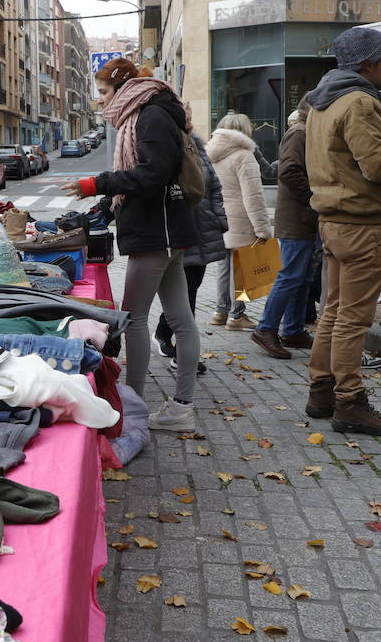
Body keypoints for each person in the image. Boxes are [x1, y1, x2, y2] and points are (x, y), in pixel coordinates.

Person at [62, 58, 201, 432]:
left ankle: (134, 406)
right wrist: (105, 206)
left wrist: (98, 184)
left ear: (123, 86)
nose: (101, 101)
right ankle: (179, 406)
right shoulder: (151, 111)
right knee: (180, 318)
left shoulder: (150, 115)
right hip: (166, 231)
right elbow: (142, 176)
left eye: (104, 92)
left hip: (158, 232)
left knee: (135, 318)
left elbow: (151, 175)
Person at [305, 26, 381, 436]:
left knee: (335, 313)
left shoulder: (323, 101)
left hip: (335, 221)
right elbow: (376, 165)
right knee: (352, 320)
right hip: (360, 224)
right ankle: (350, 403)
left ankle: (321, 392)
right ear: (367, 63)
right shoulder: (358, 101)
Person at [154, 115, 227, 375]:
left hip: (203, 229)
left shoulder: (195, 145)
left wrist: (220, 220)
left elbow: (214, 186)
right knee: (187, 295)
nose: (187, 118)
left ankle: (163, 333)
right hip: (182, 232)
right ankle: (184, 354)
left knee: (190, 289)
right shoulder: (167, 147)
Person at [251, 101, 319, 359]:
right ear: (312, 108)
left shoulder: (305, 130)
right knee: (291, 276)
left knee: (301, 277)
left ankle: (292, 330)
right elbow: (289, 171)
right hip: (297, 218)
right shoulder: (299, 132)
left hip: (303, 218)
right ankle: (266, 328)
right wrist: (313, 198)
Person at [206, 112, 272, 329]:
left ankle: (220, 312)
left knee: (224, 267)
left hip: (218, 218)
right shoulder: (244, 156)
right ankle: (237, 316)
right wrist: (263, 229)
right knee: (242, 269)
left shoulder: (210, 154)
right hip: (240, 220)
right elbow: (253, 197)